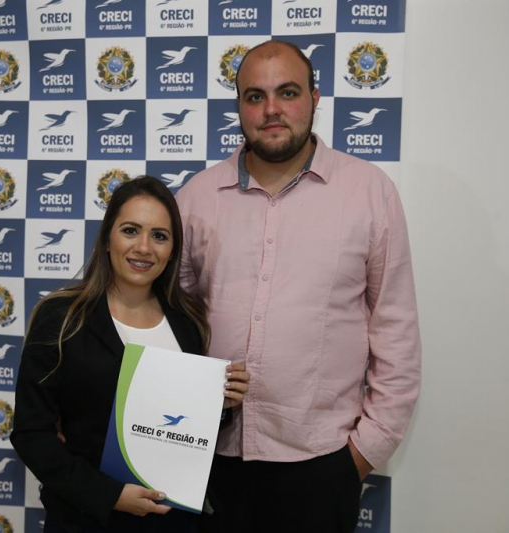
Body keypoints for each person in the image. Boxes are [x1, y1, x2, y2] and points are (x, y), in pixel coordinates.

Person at [176, 40, 421, 532]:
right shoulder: (196, 198)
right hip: (209, 461)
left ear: (314, 97)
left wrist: (360, 455)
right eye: (255, 96)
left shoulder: (369, 193)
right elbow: (165, 320)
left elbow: (396, 331)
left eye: (287, 92)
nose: (271, 109)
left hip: (322, 466)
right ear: (238, 106)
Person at [11, 176, 250, 533]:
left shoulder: (187, 323)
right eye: (130, 230)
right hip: (87, 520)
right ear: (107, 239)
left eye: (159, 236)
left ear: (173, 250)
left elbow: (178, 426)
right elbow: (31, 434)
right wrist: (108, 495)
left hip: (174, 522)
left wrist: (219, 404)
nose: (144, 247)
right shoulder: (61, 317)